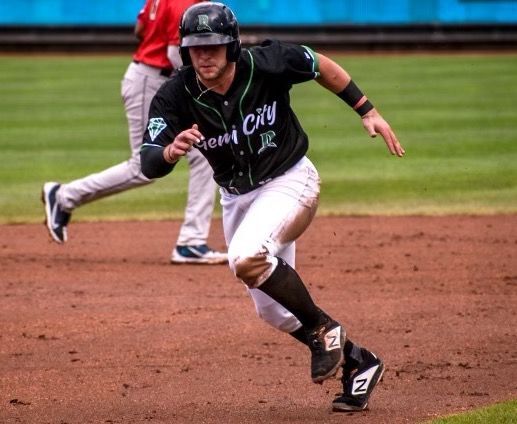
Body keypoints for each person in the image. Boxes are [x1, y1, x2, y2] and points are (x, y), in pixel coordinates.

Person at [140, 1, 405, 411]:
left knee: (245, 257)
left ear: (231, 45)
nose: (204, 55)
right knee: (275, 313)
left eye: (212, 46)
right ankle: (359, 361)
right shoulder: (176, 94)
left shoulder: (268, 61)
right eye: (195, 47)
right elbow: (148, 160)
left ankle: (325, 330)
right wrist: (171, 153)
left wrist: (366, 110)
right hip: (237, 199)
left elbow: (320, 65)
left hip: (291, 181)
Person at [41, 0, 227, 265]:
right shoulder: (187, 2)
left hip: (159, 79)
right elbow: (176, 53)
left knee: (203, 154)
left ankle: (191, 242)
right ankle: (63, 196)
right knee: (144, 165)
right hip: (152, 82)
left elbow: (140, 29)